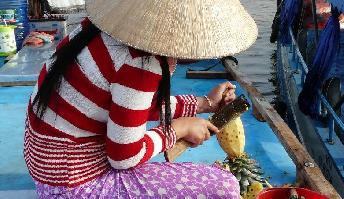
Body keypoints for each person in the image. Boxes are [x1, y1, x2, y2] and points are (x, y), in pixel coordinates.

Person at [24, 0, 258, 198]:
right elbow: (124, 157)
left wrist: (204, 103)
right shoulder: (141, 62)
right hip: (75, 186)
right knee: (224, 185)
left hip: (51, 170)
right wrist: (178, 129)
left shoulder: (99, 29)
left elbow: (131, 107)